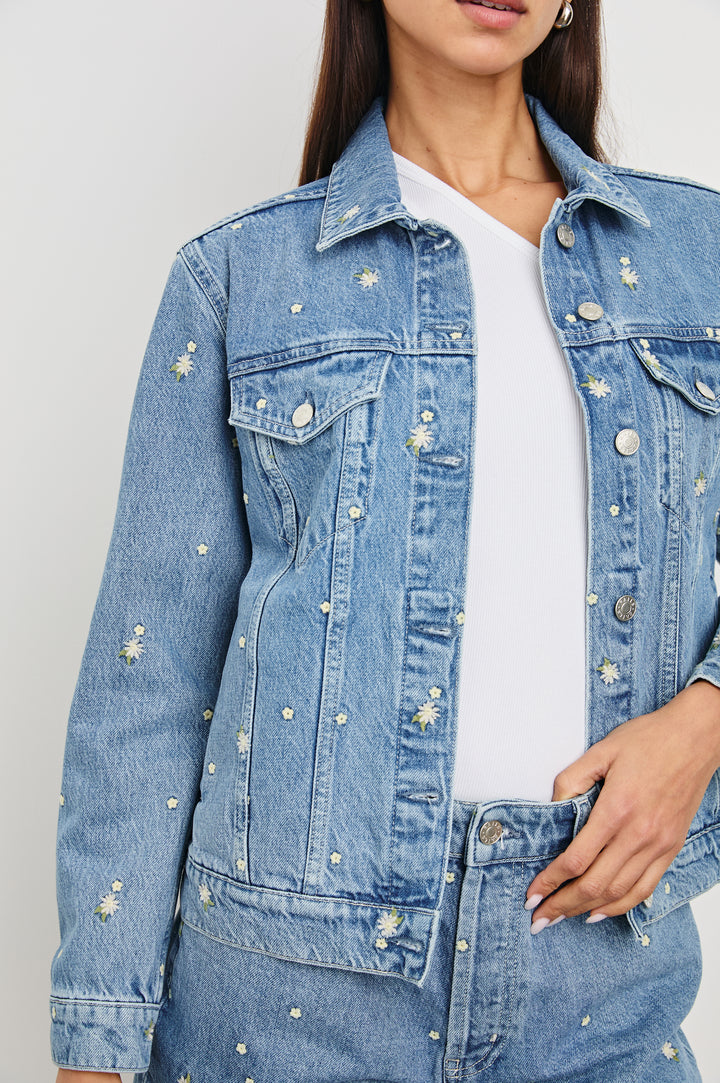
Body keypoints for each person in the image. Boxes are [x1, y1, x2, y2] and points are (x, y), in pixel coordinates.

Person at [51, 0, 720, 1080]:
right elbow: (149, 682)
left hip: (602, 987)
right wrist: (95, 1042)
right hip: (287, 996)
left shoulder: (697, 256)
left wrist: (704, 720)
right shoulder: (241, 278)